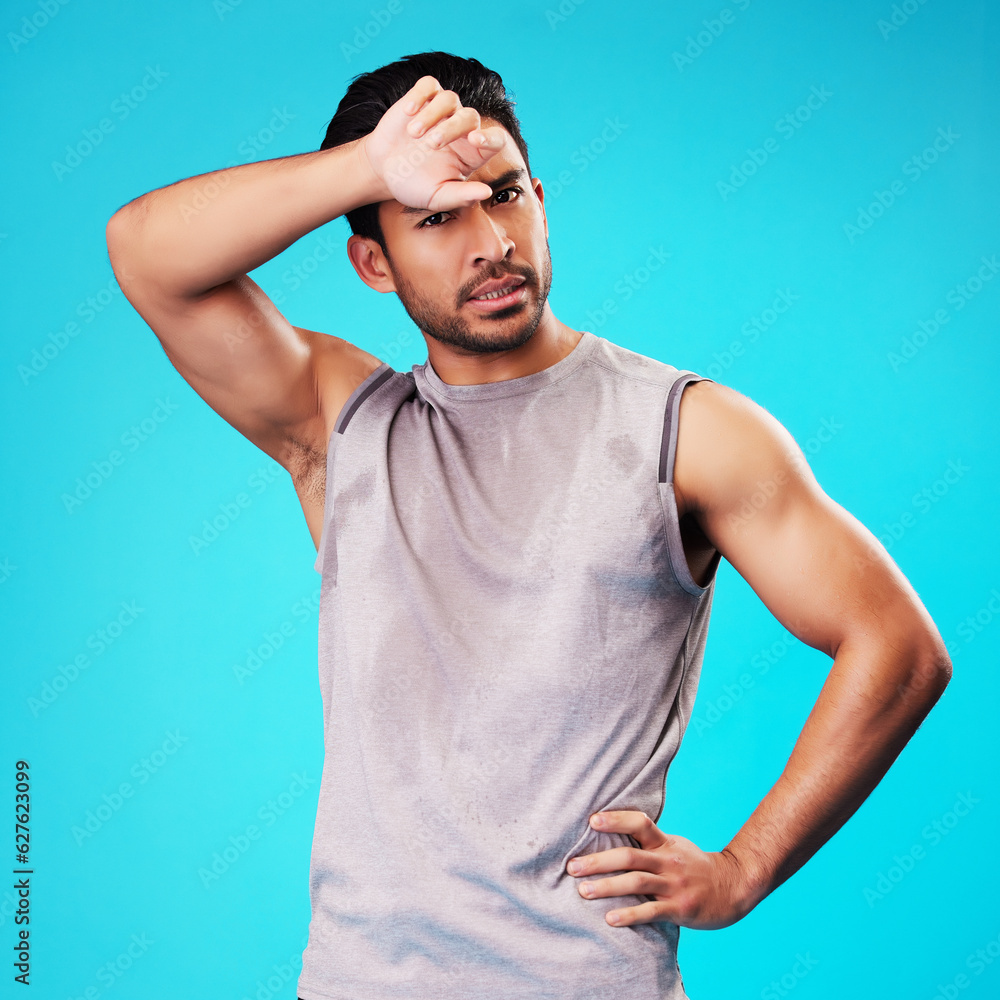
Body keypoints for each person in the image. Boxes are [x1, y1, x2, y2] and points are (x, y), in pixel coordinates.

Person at [105, 50, 952, 1000]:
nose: (489, 242)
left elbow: (900, 645)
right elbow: (145, 251)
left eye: (504, 196)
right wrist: (368, 167)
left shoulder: (692, 431)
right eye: (435, 215)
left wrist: (742, 869)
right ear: (372, 262)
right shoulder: (339, 423)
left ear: (541, 200)